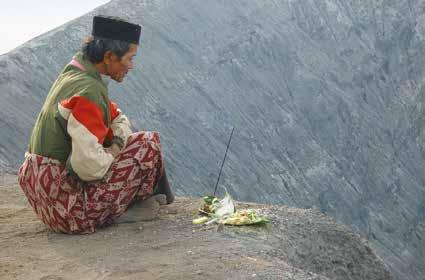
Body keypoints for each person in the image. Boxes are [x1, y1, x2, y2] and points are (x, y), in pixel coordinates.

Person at [17, 15, 174, 234]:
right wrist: (117, 143)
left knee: (133, 142)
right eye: (129, 58)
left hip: (45, 200)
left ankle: (116, 208)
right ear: (109, 56)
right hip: (69, 211)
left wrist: (113, 139)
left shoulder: (76, 74)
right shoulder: (89, 91)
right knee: (148, 144)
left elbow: (117, 117)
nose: (131, 66)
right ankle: (118, 213)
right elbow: (89, 168)